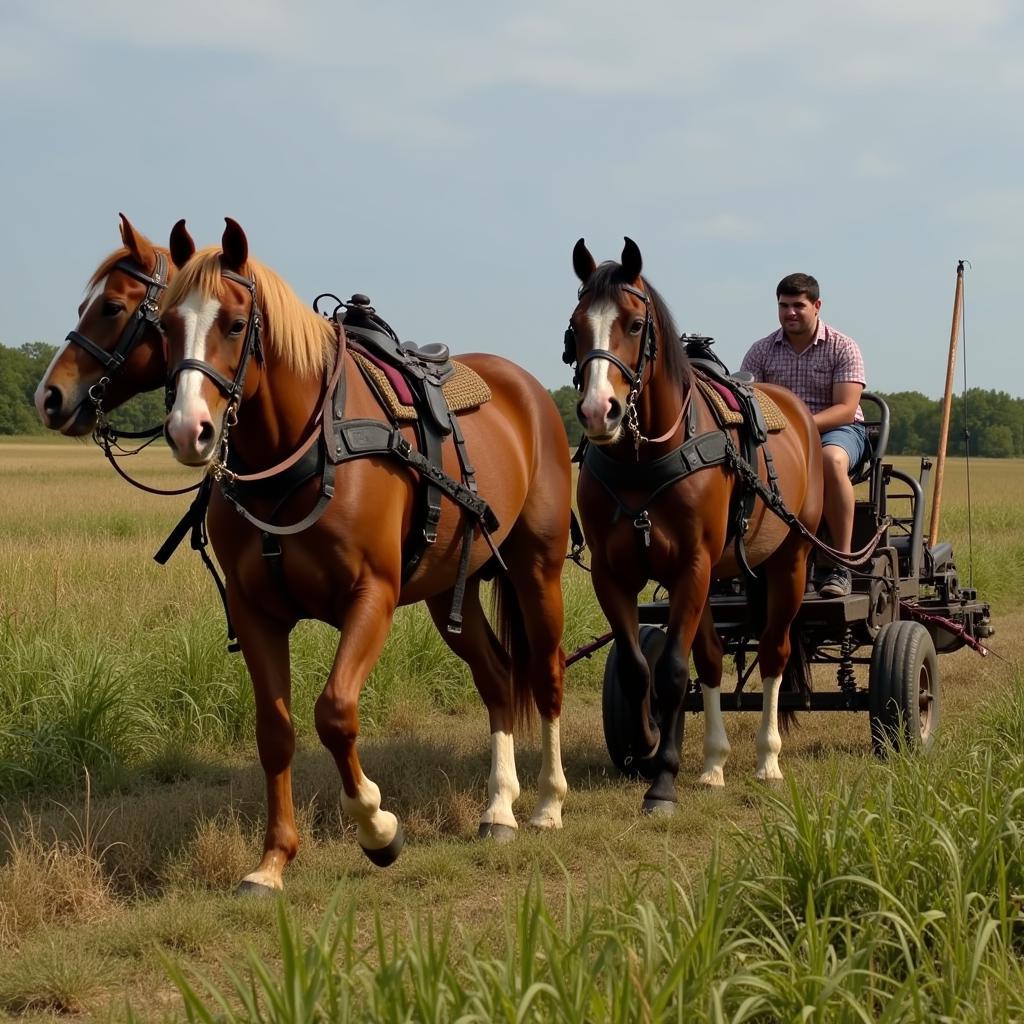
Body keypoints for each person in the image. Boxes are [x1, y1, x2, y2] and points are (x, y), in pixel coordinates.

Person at [741, 273, 867, 598]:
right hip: (779, 438)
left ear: (817, 305)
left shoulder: (843, 347)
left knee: (829, 460)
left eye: (799, 305)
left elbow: (845, 407)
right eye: (784, 306)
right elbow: (747, 401)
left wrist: (802, 426)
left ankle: (841, 563)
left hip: (837, 431)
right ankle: (747, 556)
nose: (790, 313)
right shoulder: (761, 351)